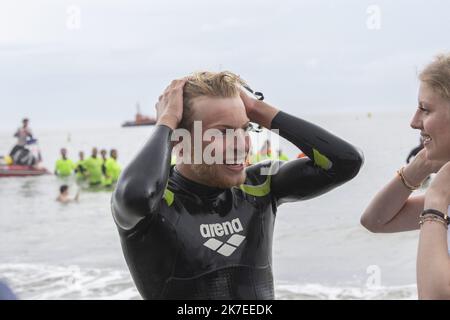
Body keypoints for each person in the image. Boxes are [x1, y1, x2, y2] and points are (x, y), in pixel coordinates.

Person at [111, 71, 363, 300]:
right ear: (179, 140)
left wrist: (257, 109)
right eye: (222, 132)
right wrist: (166, 120)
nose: (241, 145)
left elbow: (345, 163)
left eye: (245, 129)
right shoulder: (158, 203)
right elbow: (136, 196)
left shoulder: (261, 185)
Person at [360, 54, 450, 299]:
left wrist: (436, 198)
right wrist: (419, 166)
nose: (413, 122)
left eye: (425, 109)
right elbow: (375, 221)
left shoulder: (443, 196)